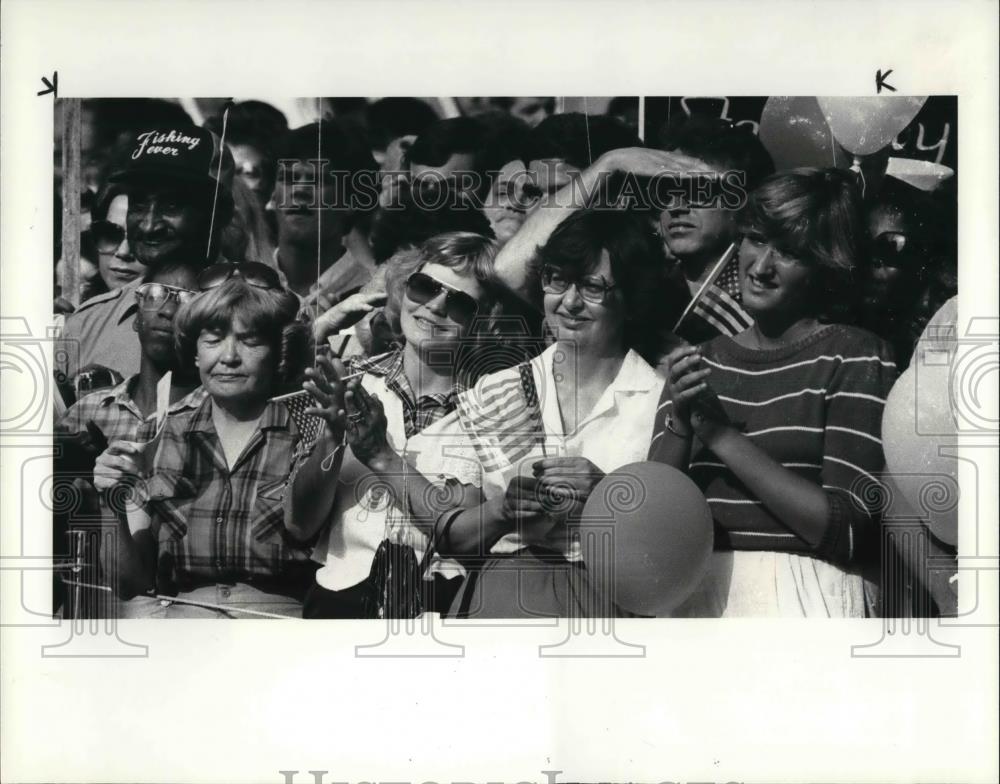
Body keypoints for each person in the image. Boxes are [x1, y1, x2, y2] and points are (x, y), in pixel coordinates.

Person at [650, 168, 898, 618]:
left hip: (804, 597)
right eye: (756, 239)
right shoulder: (697, 361)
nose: (761, 266)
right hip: (696, 599)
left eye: (790, 252)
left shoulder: (855, 356)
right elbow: (650, 523)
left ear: (826, 266)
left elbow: (848, 531)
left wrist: (722, 437)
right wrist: (681, 425)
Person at [440, 209, 679, 618]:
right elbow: (451, 539)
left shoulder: (660, 400)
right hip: (501, 601)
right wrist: (501, 512)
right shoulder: (497, 389)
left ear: (632, 298)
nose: (569, 302)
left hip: (606, 602)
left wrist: (606, 494)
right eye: (556, 280)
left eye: (591, 286)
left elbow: (673, 546)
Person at [284, 232, 503, 618]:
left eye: (459, 303)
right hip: (340, 605)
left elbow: (465, 534)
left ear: (484, 321)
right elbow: (298, 526)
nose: (434, 306)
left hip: (444, 612)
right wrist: (332, 439)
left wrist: (379, 454)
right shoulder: (347, 381)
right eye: (424, 287)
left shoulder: (496, 403)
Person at [93, 267, 315, 617]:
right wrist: (111, 500)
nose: (228, 357)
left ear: (276, 353)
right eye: (212, 340)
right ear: (195, 353)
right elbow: (128, 583)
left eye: (250, 341)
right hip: (184, 624)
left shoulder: (307, 431)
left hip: (277, 627)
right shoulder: (157, 436)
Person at [56, 123, 235, 394]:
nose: (149, 225)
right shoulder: (86, 324)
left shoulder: (262, 317)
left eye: (172, 205)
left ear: (217, 215)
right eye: (139, 204)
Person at [657, 115, 775, 343]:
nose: (676, 207)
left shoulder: (765, 300)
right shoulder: (642, 283)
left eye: (698, 192)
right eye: (666, 192)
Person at [271, 121, 379, 312]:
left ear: (351, 202)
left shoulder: (371, 299)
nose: (299, 191)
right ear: (272, 195)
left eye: (319, 180)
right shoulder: (241, 282)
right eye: (288, 179)